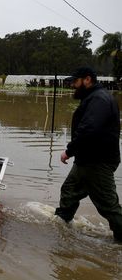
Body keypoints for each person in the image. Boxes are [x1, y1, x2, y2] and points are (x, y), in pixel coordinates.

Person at [55, 66, 122, 243]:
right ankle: (61, 226)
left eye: (75, 82)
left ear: (87, 80)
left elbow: (89, 129)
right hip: (87, 160)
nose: (72, 86)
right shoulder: (94, 97)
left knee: (108, 206)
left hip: (98, 162)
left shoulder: (99, 99)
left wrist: (69, 151)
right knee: (69, 191)